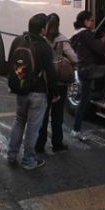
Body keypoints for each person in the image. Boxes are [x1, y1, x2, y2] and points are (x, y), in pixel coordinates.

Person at [6, 13, 57, 170]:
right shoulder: (45, 47)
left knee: (19, 121)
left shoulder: (17, 41)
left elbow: (12, 64)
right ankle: (28, 160)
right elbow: (51, 73)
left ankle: (11, 155)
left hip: (21, 90)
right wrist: (54, 93)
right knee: (33, 129)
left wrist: (19, 83)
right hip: (38, 93)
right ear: (43, 29)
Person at [36, 13, 78, 153]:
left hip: (43, 82)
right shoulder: (62, 40)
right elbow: (74, 58)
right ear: (58, 24)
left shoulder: (41, 39)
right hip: (59, 83)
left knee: (42, 114)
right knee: (57, 115)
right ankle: (57, 144)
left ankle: (40, 145)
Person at [70, 10, 105, 140]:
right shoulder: (85, 34)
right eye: (92, 20)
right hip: (88, 70)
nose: (93, 23)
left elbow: (91, 44)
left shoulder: (77, 34)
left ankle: (76, 130)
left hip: (82, 70)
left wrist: (103, 37)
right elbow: (100, 49)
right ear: (85, 21)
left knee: (84, 101)